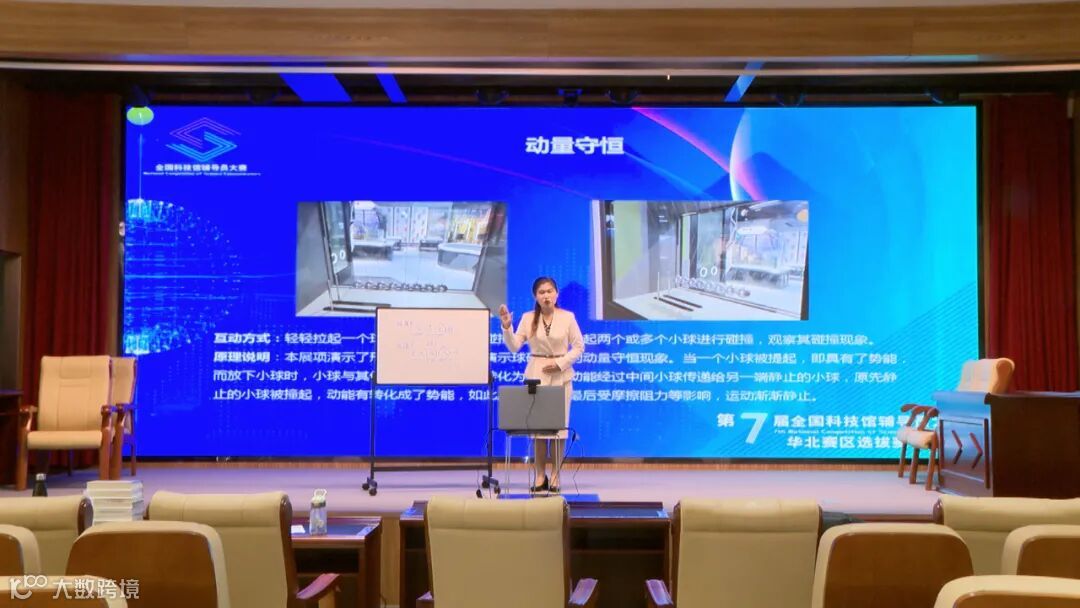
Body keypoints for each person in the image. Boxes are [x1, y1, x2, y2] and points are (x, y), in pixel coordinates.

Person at [499, 277, 584, 493]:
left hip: (561, 376)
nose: (546, 295)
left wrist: (560, 363)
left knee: (558, 429)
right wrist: (507, 327)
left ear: (556, 294)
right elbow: (514, 347)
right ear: (535, 296)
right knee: (537, 429)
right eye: (541, 292)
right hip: (536, 375)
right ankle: (539, 475)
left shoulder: (567, 317)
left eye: (549, 291)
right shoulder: (528, 318)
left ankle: (555, 475)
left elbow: (578, 346)